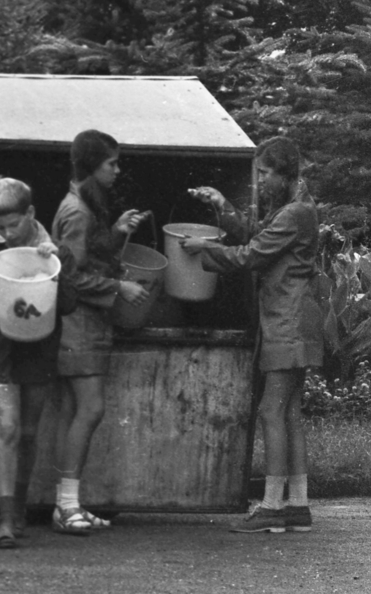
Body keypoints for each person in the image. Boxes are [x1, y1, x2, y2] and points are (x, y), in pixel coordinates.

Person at [180, 137, 323, 534]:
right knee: (289, 412)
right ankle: (298, 505)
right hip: (296, 320)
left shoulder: (295, 212)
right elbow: (257, 233)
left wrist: (202, 249)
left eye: (264, 173)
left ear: (284, 173)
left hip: (287, 322)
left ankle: (273, 508)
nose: (259, 181)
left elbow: (252, 255)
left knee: (270, 411)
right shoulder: (295, 208)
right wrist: (221, 205)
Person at [0, 177, 74, 549]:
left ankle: (20, 507)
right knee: (7, 428)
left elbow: (70, 304)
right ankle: (6, 520)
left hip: (39, 349)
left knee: (27, 432)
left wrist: (56, 267)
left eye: (13, 224)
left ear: (30, 213)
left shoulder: (53, 253)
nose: (7, 233)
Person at [50, 130, 151, 535]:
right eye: (111, 163)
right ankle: (66, 506)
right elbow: (69, 276)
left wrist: (119, 232)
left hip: (86, 324)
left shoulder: (86, 205)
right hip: (78, 325)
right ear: (93, 165)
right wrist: (119, 287)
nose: (117, 170)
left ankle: (67, 504)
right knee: (89, 409)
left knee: (74, 412)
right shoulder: (77, 211)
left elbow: (91, 254)